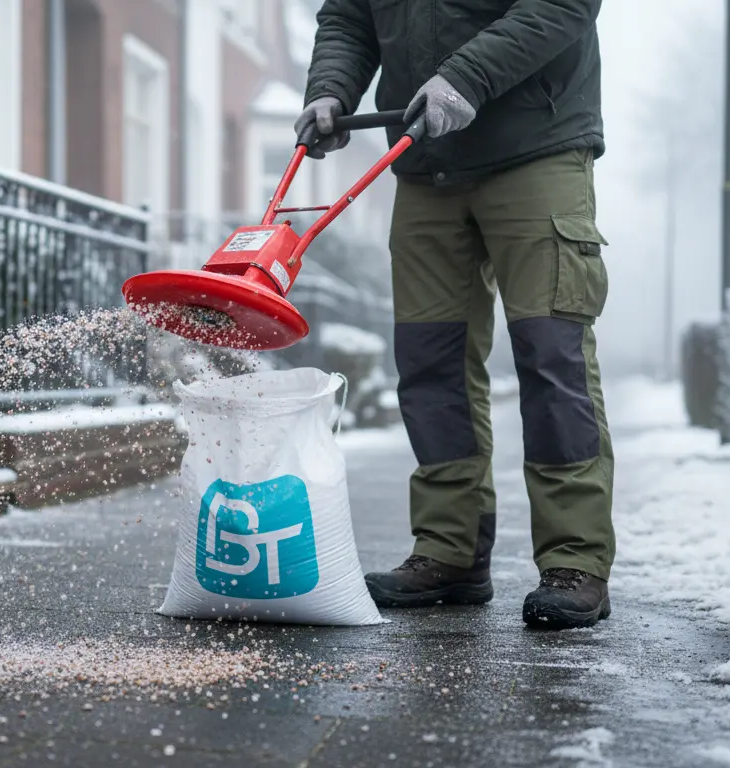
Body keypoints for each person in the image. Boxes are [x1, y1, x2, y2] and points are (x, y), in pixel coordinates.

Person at [296, 0, 613, 630]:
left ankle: (575, 560)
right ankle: (450, 551)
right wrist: (331, 90)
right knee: (428, 360)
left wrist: (466, 75)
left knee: (553, 355)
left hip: (535, 147)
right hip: (423, 160)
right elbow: (349, 17)